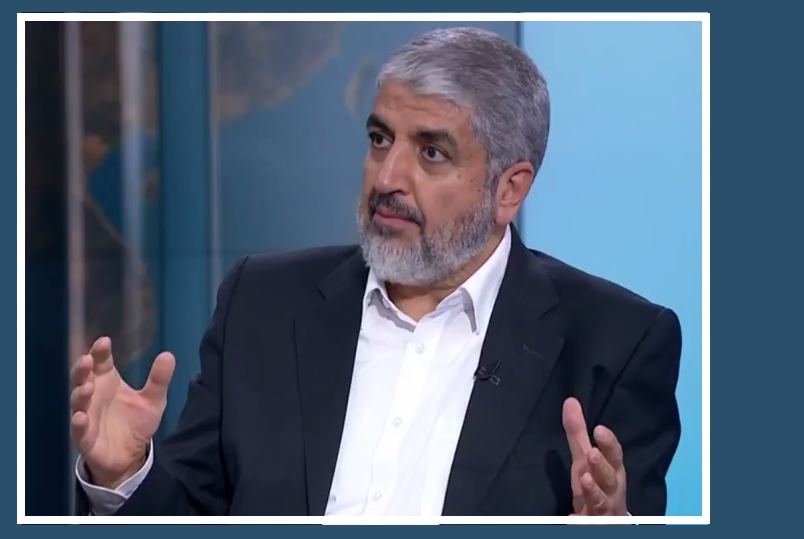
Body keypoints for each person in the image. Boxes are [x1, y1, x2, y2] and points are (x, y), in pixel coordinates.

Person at [69, 27, 682, 517]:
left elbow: (618, 510)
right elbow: (192, 511)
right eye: (380, 140)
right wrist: (125, 474)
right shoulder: (262, 303)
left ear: (510, 189)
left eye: (431, 152)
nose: (388, 178)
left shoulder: (615, 343)